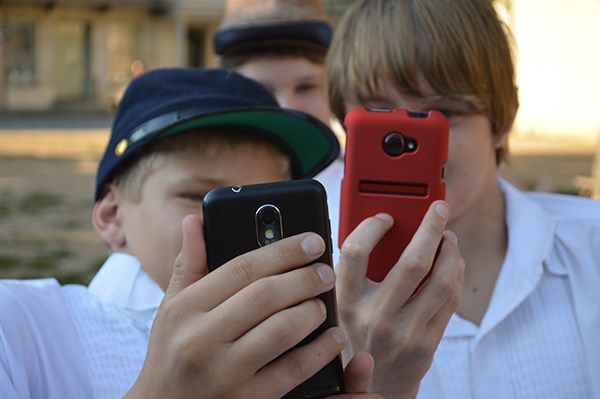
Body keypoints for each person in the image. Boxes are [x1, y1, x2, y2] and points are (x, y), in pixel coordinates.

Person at [0, 67, 464, 398]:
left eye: (271, 203)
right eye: (201, 199)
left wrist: (384, 386)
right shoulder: (24, 326)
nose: (241, 226)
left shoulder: (335, 342)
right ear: (110, 216)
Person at [326, 0, 600, 398]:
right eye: (380, 113)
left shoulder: (590, 249)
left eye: (444, 113)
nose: (410, 147)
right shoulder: (303, 292)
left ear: (504, 120)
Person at [213, 0, 346, 262]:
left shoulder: (360, 196)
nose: (288, 107)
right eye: (263, 90)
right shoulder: (206, 193)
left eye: (306, 87)